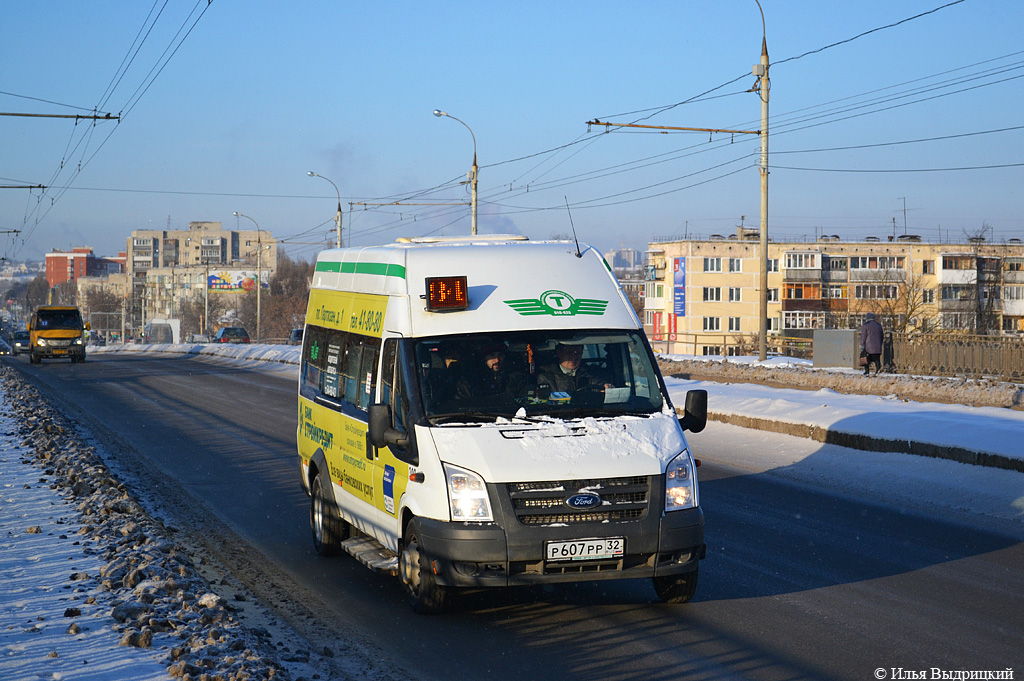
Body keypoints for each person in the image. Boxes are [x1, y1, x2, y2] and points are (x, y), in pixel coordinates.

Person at [455, 342, 528, 401]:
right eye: (492, 355)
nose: (497, 360)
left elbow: (523, 401)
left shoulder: (516, 378)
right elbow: (463, 406)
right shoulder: (470, 381)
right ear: (484, 359)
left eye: (500, 355)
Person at [536, 343, 612, 397]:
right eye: (568, 352)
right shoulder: (545, 377)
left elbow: (599, 386)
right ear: (559, 353)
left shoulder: (591, 374)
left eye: (577, 353)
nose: (573, 357)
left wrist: (605, 388)